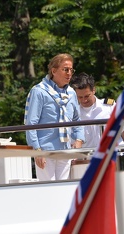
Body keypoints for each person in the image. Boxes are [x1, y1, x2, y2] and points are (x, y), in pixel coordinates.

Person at [24, 53, 85, 181]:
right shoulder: (39, 91)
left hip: (65, 149)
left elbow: (76, 120)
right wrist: (37, 151)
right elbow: (31, 124)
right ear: (54, 71)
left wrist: (79, 139)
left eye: (71, 70)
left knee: (63, 190)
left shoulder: (71, 93)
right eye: (65, 69)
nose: (69, 73)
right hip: (45, 150)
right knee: (48, 191)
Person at [70, 72, 124, 155]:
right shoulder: (73, 114)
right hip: (88, 162)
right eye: (80, 97)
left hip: (113, 158)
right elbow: (73, 145)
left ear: (94, 90)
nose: (84, 100)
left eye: (87, 96)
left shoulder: (110, 107)